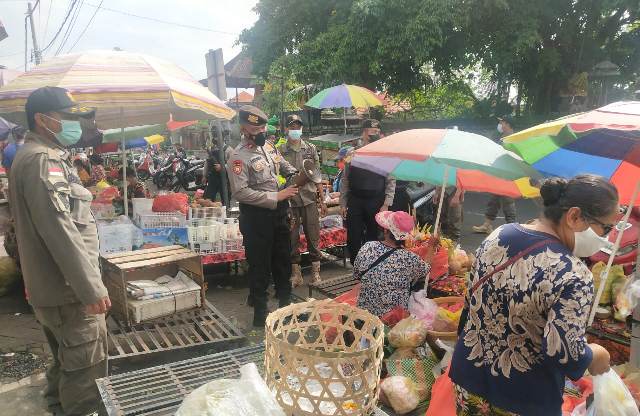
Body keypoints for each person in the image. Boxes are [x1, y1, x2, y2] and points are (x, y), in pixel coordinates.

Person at [450, 174, 616, 415]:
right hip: (522, 400)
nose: (606, 238)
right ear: (574, 216)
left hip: (468, 381)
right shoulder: (575, 273)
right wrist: (595, 354)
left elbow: (471, 302)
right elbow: (564, 352)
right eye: (606, 228)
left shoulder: (499, 233)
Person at [8, 86, 110, 415]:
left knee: (65, 363)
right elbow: (59, 230)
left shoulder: (42, 156)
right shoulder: (41, 160)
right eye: (65, 118)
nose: (73, 124)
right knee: (85, 372)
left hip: (56, 289)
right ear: (42, 120)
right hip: (69, 293)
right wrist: (90, 288)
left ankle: (57, 408)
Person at [226, 105, 298, 327]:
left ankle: (286, 305)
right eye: (255, 129)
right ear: (244, 129)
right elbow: (241, 192)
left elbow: (283, 166)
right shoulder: (238, 157)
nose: (261, 132)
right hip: (257, 218)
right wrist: (276, 196)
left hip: (279, 214)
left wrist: (294, 173)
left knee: (283, 259)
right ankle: (260, 313)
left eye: (263, 128)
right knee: (260, 265)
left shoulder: (269, 147)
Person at [354, 210, 432, 318]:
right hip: (393, 319)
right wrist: (432, 247)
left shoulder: (368, 247)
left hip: (364, 314)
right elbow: (427, 269)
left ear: (385, 230)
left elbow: (357, 275)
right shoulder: (409, 258)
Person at [340, 119, 396, 264]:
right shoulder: (352, 153)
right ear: (364, 133)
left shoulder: (384, 154)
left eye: (377, 132)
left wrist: (386, 203)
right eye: (372, 132)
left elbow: (391, 180)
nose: (375, 135)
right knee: (353, 235)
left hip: (375, 200)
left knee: (373, 235)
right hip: (355, 199)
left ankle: (372, 265)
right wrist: (342, 203)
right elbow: (345, 179)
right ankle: (355, 265)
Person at [279, 114, 326, 286]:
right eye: (292, 127)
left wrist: (322, 199)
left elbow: (317, 175)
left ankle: (315, 273)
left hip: (309, 198)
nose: (295, 130)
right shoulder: (280, 151)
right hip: (290, 199)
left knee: (313, 235)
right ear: (286, 129)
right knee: (292, 237)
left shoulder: (310, 148)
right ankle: (296, 274)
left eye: (298, 127)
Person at [473, 115, 517, 234]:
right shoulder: (502, 137)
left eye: (502, 123)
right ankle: (487, 225)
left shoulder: (514, 139)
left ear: (508, 124)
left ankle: (512, 228)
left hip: (508, 175)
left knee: (508, 201)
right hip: (499, 174)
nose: (500, 125)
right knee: (494, 199)